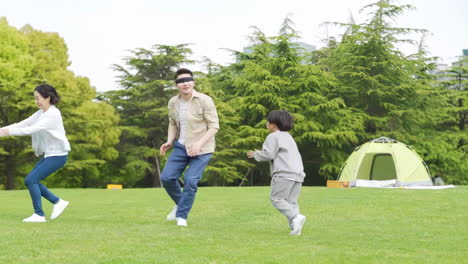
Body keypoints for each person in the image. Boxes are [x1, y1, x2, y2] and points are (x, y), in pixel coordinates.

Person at [0, 84, 71, 222]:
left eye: (38, 98)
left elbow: (31, 129)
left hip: (58, 156)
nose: (36, 101)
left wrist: (8, 132)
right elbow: (23, 123)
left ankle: (39, 214)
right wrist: (2, 130)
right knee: (31, 180)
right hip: (51, 155)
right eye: (35, 98)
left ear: (48, 98)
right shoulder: (41, 113)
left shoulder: (53, 114)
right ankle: (58, 202)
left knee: (31, 180)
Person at [159, 68, 219, 227]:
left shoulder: (205, 100)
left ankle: (182, 217)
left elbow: (214, 127)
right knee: (166, 178)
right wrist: (169, 141)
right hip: (181, 146)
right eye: (180, 81)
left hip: (203, 149)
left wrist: (199, 144)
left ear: (193, 82)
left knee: (190, 180)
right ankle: (181, 205)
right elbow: (172, 123)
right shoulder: (173, 102)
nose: (185, 83)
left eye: (188, 79)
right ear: (176, 85)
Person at [247, 110, 306, 235]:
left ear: (273, 124)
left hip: (283, 174)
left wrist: (255, 154)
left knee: (276, 199)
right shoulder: (288, 137)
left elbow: (269, 154)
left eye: (268, 121)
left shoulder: (273, 136)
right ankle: (295, 228)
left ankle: (296, 217)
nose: (266, 123)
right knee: (291, 202)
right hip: (298, 174)